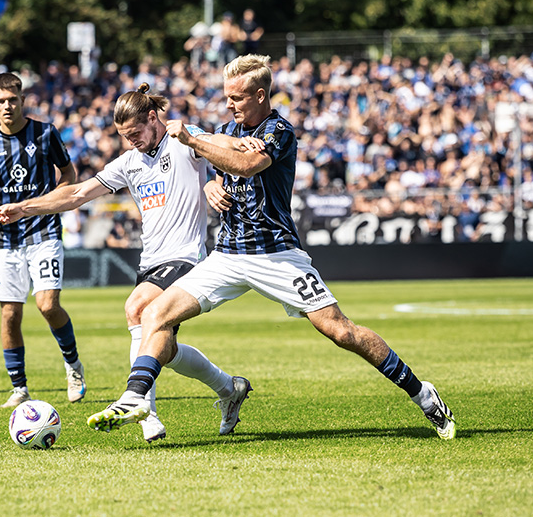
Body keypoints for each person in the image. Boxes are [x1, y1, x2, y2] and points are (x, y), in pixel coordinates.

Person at [87, 55, 456, 440]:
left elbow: (247, 165)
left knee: (340, 331)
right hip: (227, 255)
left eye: (236, 97)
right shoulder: (227, 129)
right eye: (227, 96)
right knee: (154, 313)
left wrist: (194, 140)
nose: (229, 104)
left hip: (276, 254)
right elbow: (220, 171)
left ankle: (422, 392)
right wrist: (211, 184)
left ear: (260, 96)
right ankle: (136, 398)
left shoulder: (279, 131)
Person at [0, 83, 250, 442]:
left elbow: (220, 146)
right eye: (124, 137)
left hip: (186, 257)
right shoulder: (129, 163)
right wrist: (24, 208)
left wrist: (239, 153)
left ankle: (144, 412)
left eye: (135, 133)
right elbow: (77, 193)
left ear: (153, 118)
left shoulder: (182, 140)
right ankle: (229, 388)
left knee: (136, 308)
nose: (131, 142)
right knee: (164, 349)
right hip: (151, 262)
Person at [0, 72, 86, 408]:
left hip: (44, 230)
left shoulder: (45, 133)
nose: (7, 106)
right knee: (10, 314)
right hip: (6, 238)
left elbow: (69, 174)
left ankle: (73, 366)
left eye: (13, 100)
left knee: (47, 305)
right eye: (1, 101)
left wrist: (51, 201)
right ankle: (19, 387)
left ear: (22, 100)